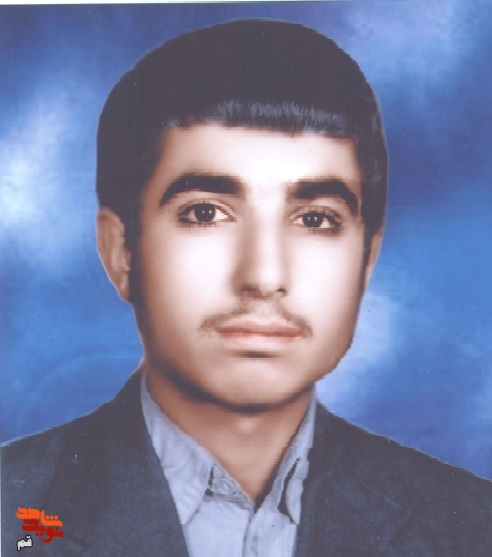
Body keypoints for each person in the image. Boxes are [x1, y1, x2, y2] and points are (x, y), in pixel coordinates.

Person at [2, 19, 491, 557]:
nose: (264, 276)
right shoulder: (13, 512)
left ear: (367, 258)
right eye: (206, 213)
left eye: (316, 220)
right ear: (121, 250)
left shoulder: (471, 527)